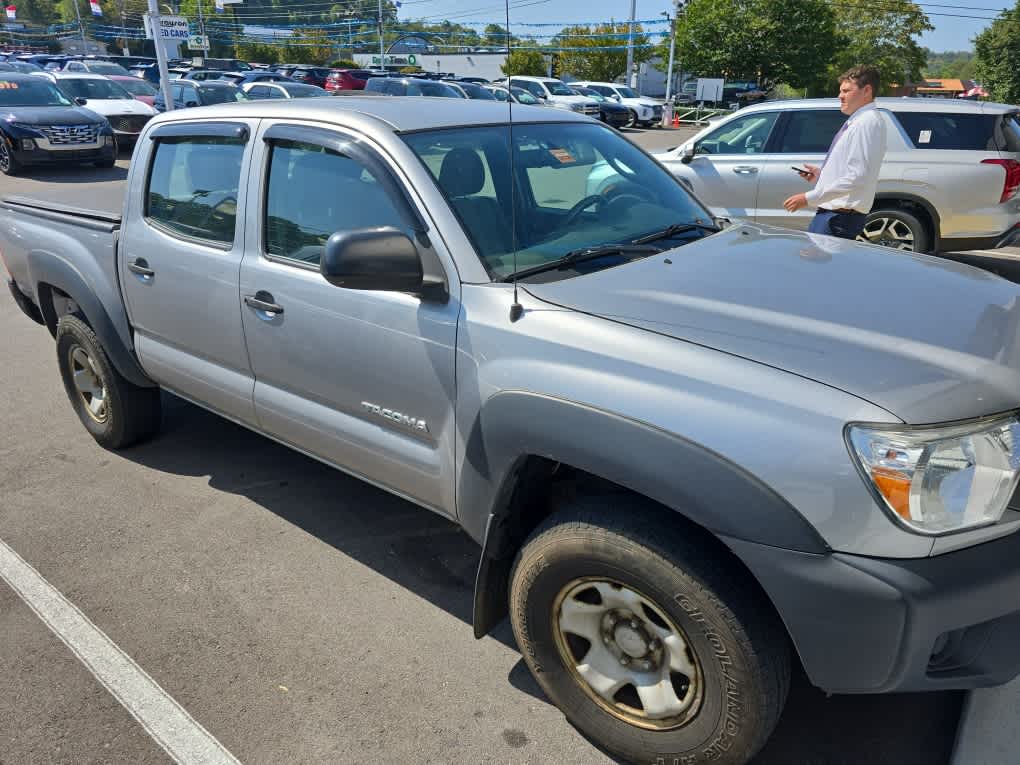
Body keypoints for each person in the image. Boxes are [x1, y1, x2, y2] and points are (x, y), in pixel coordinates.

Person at [783, 65, 887, 240]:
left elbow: (857, 177)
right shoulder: (859, 121)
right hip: (834, 215)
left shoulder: (866, 123)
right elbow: (851, 172)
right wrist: (821, 177)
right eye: (841, 91)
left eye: (846, 91)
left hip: (839, 218)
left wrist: (808, 198)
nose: (840, 96)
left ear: (867, 90)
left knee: (818, 267)